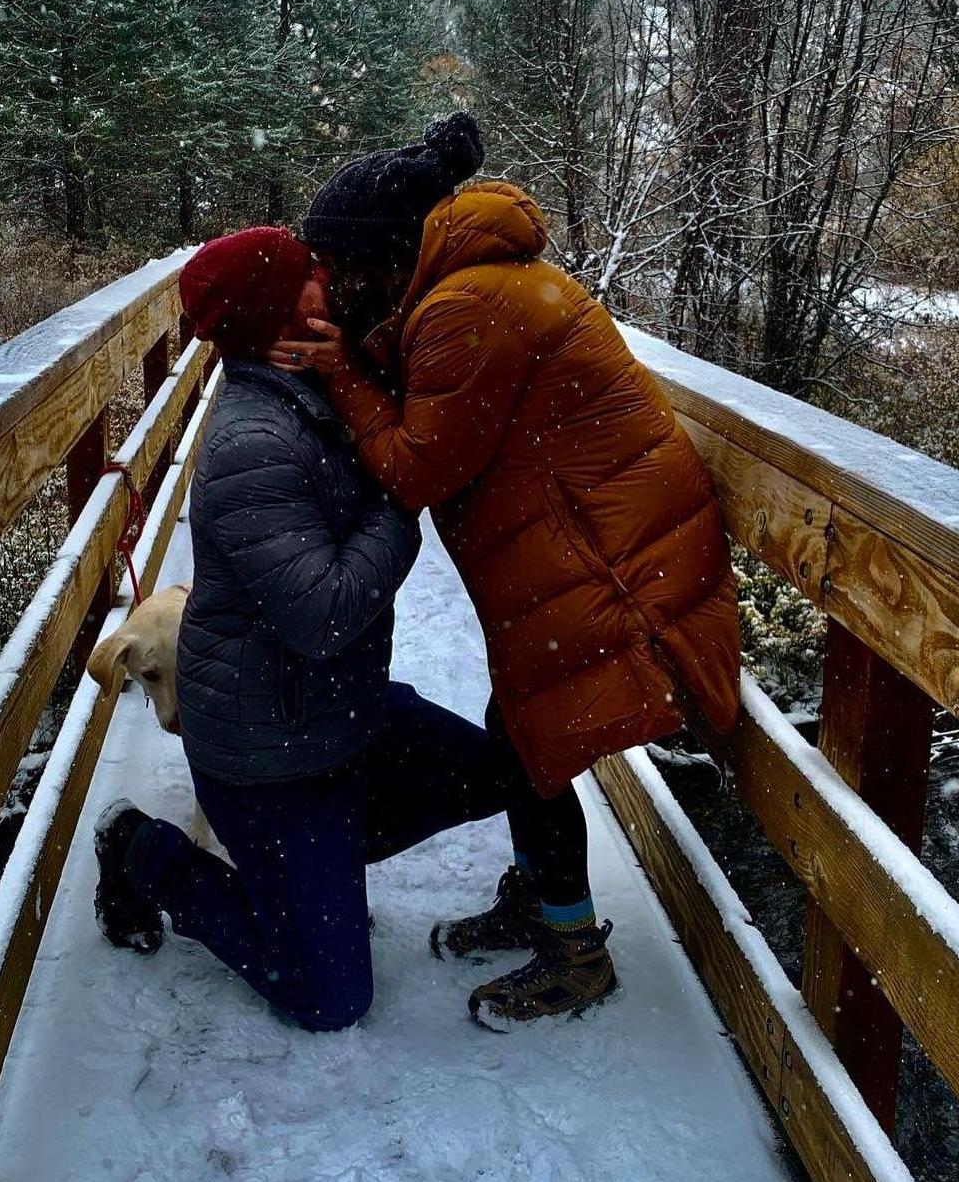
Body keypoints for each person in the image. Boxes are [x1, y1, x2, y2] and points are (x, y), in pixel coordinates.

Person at [272, 113, 742, 1027]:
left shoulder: (467, 307)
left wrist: (337, 373)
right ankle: (542, 900)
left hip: (611, 572)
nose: (344, 286)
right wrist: (361, 358)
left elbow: (416, 465)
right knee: (523, 731)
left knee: (534, 746)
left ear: (389, 254)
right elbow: (433, 396)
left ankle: (575, 956)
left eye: (348, 267)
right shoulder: (470, 288)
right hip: (595, 552)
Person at [93, 226, 511, 1033]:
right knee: (329, 998)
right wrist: (403, 493)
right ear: (273, 313)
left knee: (494, 772)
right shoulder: (253, 444)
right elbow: (324, 614)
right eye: (308, 275)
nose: (328, 279)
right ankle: (142, 851)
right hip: (271, 755)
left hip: (335, 716)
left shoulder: (316, 375)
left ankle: (306, 877)